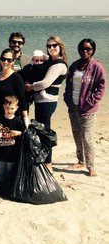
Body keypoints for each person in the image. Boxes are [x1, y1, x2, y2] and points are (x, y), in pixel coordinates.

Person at [64, 39, 106, 177]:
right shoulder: (75, 65)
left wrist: (90, 101)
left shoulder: (96, 67)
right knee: (77, 135)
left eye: (88, 49)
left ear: (93, 50)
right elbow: (68, 84)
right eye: (82, 49)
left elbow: (101, 87)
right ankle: (81, 160)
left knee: (87, 137)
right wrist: (67, 99)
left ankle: (91, 166)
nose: (85, 51)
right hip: (73, 107)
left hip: (87, 109)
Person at [25, 36, 68, 172]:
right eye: (49, 46)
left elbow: (45, 83)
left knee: (45, 131)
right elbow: (40, 57)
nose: (51, 48)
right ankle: (43, 159)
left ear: (60, 46)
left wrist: (30, 87)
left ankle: (48, 162)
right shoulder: (51, 61)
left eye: (54, 45)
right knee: (41, 129)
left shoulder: (59, 65)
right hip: (42, 100)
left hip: (47, 101)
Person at [0, 48, 29, 127]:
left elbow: (22, 100)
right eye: (3, 59)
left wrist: (26, 118)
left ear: (13, 61)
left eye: (9, 60)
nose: (5, 62)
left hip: (11, 117)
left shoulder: (16, 78)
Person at [0, 95, 25, 184]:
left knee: (10, 176)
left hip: (12, 153)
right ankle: (1, 185)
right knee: (1, 176)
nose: (9, 110)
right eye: (7, 108)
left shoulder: (18, 121)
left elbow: (25, 134)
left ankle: (7, 187)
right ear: (3, 107)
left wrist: (18, 133)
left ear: (16, 108)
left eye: (12, 108)